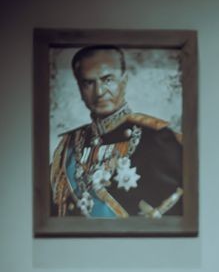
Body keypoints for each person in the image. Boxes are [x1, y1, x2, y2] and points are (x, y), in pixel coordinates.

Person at [50, 45, 184, 218]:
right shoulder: (68, 146)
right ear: (80, 89)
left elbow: (178, 210)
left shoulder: (156, 137)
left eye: (107, 80)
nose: (99, 92)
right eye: (89, 83)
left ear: (124, 81)